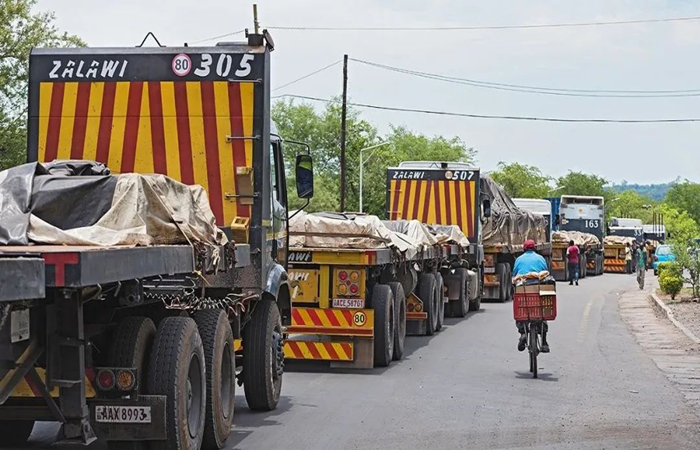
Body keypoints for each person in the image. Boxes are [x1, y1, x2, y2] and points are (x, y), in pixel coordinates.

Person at [512, 239, 550, 353]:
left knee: (521, 311)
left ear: (524, 249)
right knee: (542, 313)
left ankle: (523, 333)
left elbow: (515, 275)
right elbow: (545, 273)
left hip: (523, 290)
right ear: (534, 248)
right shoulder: (540, 258)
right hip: (538, 290)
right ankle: (544, 342)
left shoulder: (519, 259)